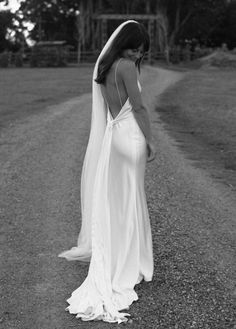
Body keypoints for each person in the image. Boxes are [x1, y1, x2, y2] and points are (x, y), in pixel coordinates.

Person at [58, 20, 155, 324]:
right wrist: (150, 140)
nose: (138, 54)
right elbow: (138, 108)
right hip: (132, 137)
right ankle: (132, 262)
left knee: (118, 200)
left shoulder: (104, 68)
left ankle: (120, 256)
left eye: (141, 51)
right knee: (131, 200)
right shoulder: (127, 67)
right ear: (124, 44)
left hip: (114, 137)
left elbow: (111, 108)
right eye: (135, 48)